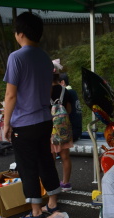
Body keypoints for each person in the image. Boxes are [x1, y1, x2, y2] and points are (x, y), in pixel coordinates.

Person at [3, 11, 61, 218]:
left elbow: (10, 95)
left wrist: (6, 123)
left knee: (27, 165)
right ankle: (53, 201)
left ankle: (36, 211)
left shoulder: (16, 57)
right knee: (45, 160)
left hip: (24, 123)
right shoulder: (45, 57)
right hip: (44, 119)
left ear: (19, 34)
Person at [51, 60, 74, 192]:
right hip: (64, 128)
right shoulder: (66, 91)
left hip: (51, 129)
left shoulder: (45, 91)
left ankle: (53, 184)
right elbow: (69, 110)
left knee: (51, 157)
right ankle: (66, 183)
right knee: (65, 156)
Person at [59, 72, 83, 142]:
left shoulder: (67, 93)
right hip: (77, 131)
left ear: (62, 82)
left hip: (71, 133)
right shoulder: (73, 92)